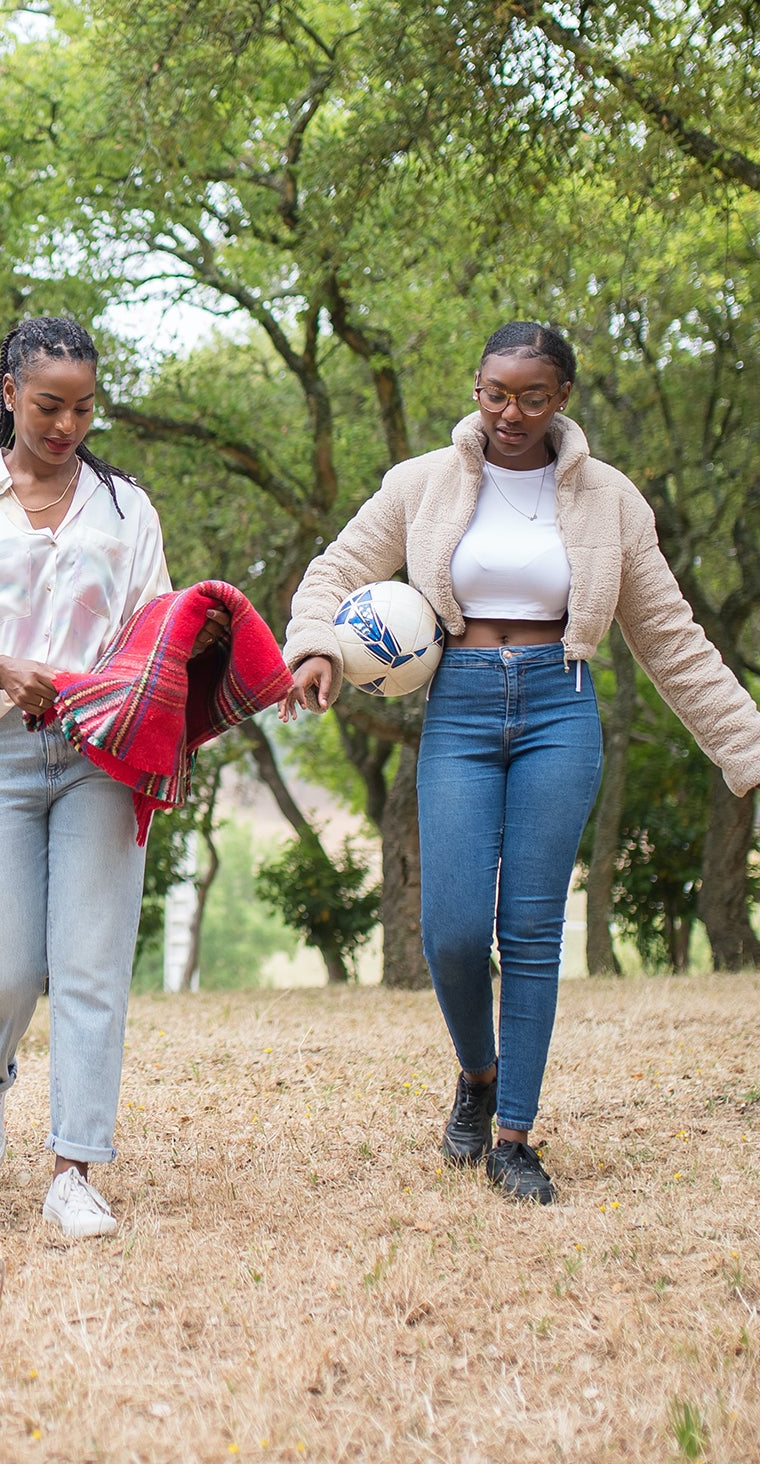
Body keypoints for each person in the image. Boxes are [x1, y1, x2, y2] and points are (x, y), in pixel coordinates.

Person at [280, 321, 760, 1203]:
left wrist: (749, 748)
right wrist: (314, 644)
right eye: (495, 392)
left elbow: (673, 644)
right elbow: (336, 568)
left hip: (559, 707)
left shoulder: (612, 502)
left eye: (532, 396)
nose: (510, 412)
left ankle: (514, 1138)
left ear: (562, 399)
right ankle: (478, 1073)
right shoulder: (421, 483)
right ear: (476, 387)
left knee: (532, 932)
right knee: (453, 932)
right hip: (457, 702)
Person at [0, 315, 226, 1240]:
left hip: (102, 757)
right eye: (50, 405)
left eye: (85, 409)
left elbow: (150, 630)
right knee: (2, 965)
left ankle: (75, 1170)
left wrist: (188, 657)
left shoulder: (127, 511)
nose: (67, 426)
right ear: (10, 390)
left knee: (90, 965)